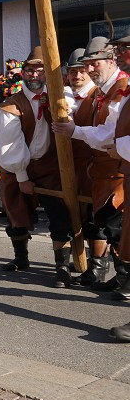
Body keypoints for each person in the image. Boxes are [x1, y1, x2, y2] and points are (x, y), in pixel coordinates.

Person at [52, 37, 129, 296]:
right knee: (111, 225)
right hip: (105, 170)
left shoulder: (122, 88)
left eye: (94, 64)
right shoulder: (107, 89)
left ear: (110, 61)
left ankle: (125, 282)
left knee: (118, 226)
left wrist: (75, 131)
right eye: (88, 65)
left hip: (117, 171)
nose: (90, 70)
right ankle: (121, 277)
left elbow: (111, 134)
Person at [0, 56, 74, 286]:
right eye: (30, 71)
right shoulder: (10, 106)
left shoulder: (61, 98)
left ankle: (62, 268)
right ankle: (21, 258)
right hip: (17, 166)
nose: (35, 76)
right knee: (15, 212)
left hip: (49, 167)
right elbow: (11, 145)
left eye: (40, 71)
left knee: (59, 214)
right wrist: (22, 177)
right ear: (23, 74)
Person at [64, 48, 104, 285]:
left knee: (97, 217)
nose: (77, 76)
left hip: (96, 165)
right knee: (74, 213)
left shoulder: (99, 96)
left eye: (81, 71)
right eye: (72, 72)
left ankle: (99, 265)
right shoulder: (65, 97)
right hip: (71, 166)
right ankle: (83, 258)